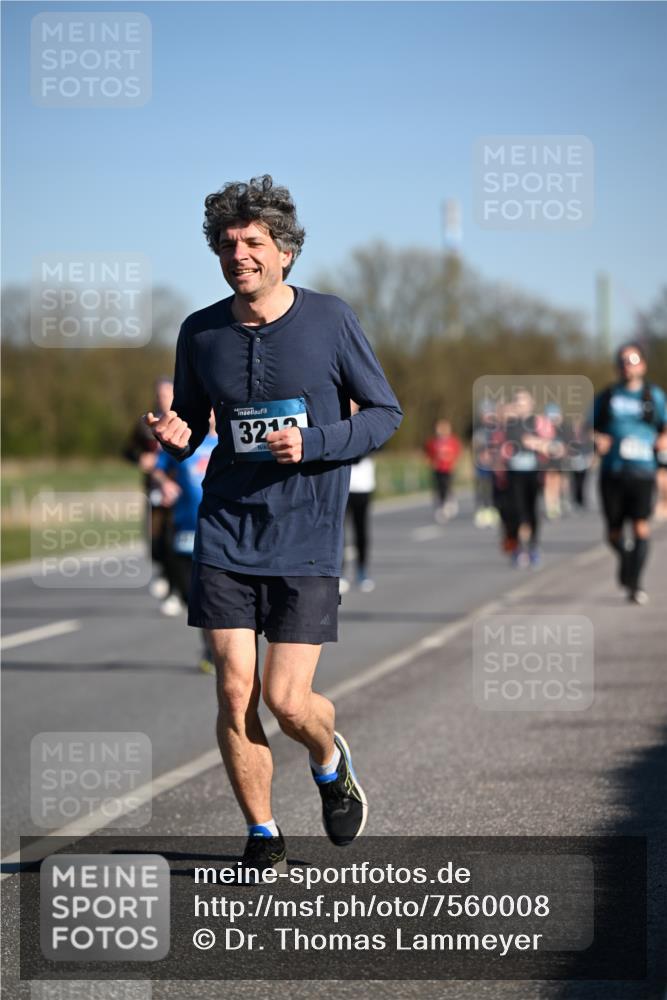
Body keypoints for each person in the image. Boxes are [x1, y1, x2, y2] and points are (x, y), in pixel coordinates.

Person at [144, 175, 402, 872]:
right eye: (227, 245)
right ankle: (262, 832)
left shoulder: (330, 320)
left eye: (253, 242)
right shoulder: (200, 331)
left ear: (284, 252)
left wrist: (314, 443)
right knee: (234, 689)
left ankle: (327, 755)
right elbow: (196, 421)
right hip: (228, 527)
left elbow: (384, 414)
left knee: (289, 701)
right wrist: (178, 435)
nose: (239, 255)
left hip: (307, 531)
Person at [592, 342, 667, 604]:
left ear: (643, 365)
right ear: (618, 367)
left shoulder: (653, 396)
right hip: (613, 471)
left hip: (642, 470)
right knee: (613, 533)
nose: (628, 365)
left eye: (633, 360)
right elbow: (589, 429)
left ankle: (635, 584)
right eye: (624, 361)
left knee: (640, 527)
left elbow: (665, 427)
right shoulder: (608, 396)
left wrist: (663, 440)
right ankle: (626, 563)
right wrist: (597, 440)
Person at [152, 411, 219, 672]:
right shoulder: (186, 440)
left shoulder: (228, 443)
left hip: (216, 529)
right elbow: (158, 468)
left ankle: (215, 652)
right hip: (183, 529)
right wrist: (164, 485)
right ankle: (210, 643)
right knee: (193, 597)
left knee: (213, 595)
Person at [123, 377, 180, 611]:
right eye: (159, 394)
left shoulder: (183, 421)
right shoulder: (144, 424)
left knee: (174, 541)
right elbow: (126, 450)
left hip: (178, 491)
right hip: (153, 490)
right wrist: (140, 459)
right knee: (155, 543)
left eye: (167, 394)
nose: (162, 398)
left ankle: (175, 588)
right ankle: (163, 572)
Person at [423, 419, 462, 522]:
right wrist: (430, 462)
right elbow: (428, 454)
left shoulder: (453, 441)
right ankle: (440, 506)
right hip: (437, 468)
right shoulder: (433, 442)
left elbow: (457, 453)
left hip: (448, 468)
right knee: (438, 487)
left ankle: (449, 502)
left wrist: (454, 463)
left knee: (447, 485)